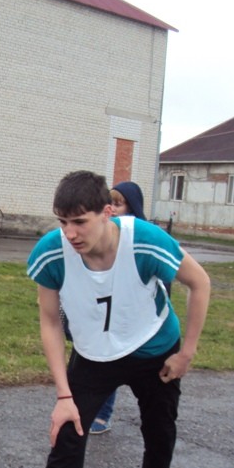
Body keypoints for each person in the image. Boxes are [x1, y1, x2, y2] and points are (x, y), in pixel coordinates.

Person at [5, 170, 210, 468]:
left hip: (154, 350)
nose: (70, 233)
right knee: (66, 441)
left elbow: (199, 282)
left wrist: (186, 353)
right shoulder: (52, 252)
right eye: (63, 221)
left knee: (160, 434)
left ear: (107, 213)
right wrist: (63, 394)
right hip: (94, 357)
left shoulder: (144, 241)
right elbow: (49, 322)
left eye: (80, 222)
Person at [89, 181, 149, 434]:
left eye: (118, 203)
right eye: (109, 202)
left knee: (142, 372)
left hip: (135, 315)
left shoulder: (143, 238)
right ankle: (100, 413)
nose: (112, 208)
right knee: (103, 363)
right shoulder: (100, 238)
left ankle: (152, 416)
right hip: (105, 312)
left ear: (132, 208)